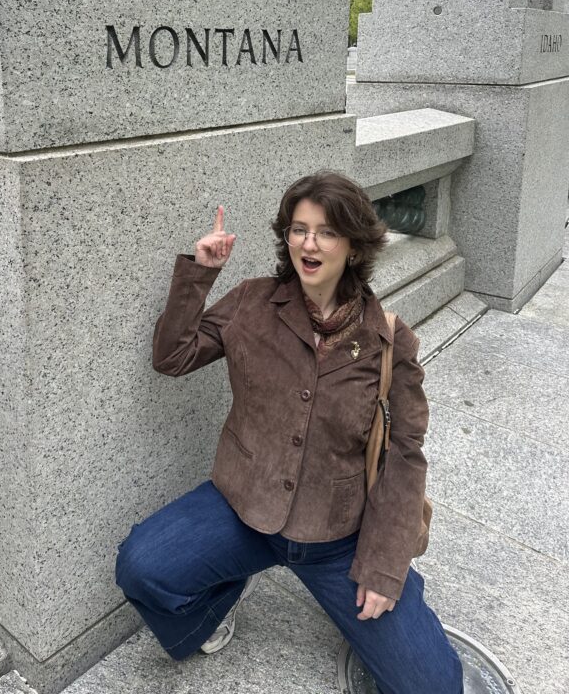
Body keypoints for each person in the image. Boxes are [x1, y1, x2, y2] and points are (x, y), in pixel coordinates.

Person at [115, 171, 464, 694]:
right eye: (299, 229)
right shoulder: (252, 303)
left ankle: (386, 605)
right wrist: (200, 276)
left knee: (433, 685)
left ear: (353, 244)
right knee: (141, 566)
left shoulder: (387, 339)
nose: (309, 243)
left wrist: (384, 567)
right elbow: (172, 357)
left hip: (336, 535)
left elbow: (405, 455)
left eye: (326, 231)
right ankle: (215, 609)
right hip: (242, 507)